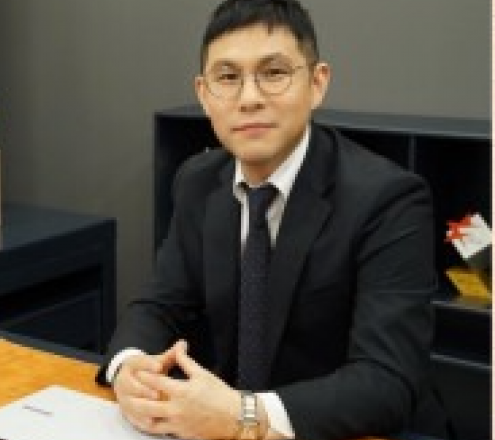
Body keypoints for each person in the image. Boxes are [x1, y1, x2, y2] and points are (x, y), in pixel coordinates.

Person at [96, 1, 449, 439]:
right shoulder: (197, 180)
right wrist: (128, 366)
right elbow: (160, 305)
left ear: (317, 83)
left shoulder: (389, 199)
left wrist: (245, 414)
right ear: (204, 94)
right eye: (228, 78)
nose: (249, 98)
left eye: (274, 72)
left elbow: (387, 380)